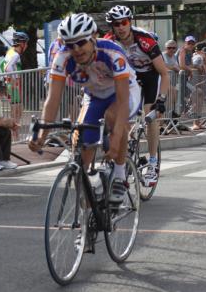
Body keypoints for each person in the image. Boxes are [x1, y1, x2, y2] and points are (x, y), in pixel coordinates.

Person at [29, 13, 141, 203]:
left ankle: (120, 175)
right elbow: (53, 98)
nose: (77, 49)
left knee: (114, 121)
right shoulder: (62, 57)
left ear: (93, 37)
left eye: (81, 42)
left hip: (123, 92)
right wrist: (42, 134)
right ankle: (88, 196)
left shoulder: (113, 54)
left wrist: (115, 138)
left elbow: (123, 101)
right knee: (83, 139)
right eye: (70, 44)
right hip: (94, 94)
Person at [104, 5, 169, 187]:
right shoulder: (109, 41)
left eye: (124, 22)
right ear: (112, 27)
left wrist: (161, 99)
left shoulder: (145, 40)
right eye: (116, 24)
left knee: (150, 116)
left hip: (150, 76)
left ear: (129, 22)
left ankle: (153, 164)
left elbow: (164, 73)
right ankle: (125, 150)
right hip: (129, 78)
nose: (121, 27)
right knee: (118, 114)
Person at [0, 32, 28, 138]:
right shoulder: (15, 54)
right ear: (21, 44)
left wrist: (6, 78)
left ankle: (14, 136)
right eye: (26, 43)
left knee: (16, 110)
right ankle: (15, 137)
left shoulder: (10, 52)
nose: (27, 46)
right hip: (14, 86)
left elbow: (1, 65)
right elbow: (8, 67)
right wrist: (14, 79)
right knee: (17, 111)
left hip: (10, 86)